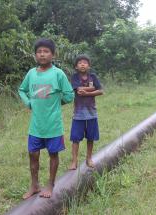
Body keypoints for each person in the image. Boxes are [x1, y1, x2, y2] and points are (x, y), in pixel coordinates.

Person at [18, 38, 74, 199]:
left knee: (53, 154)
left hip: (53, 126)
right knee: (33, 154)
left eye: (46, 51)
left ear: (53, 55)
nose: (42, 54)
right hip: (36, 126)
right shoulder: (31, 73)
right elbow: (22, 90)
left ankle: (50, 183)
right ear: (35, 55)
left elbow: (70, 95)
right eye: (39, 52)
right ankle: (35, 185)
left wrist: (57, 103)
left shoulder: (58, 74)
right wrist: (28, 102)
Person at [68, 54, 103, 170]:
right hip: (78, 114)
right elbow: (78, 89)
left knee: (91, 137)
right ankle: (74, 161)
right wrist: (93, 88)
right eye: (80, 63)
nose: (82, 64)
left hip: (92, 113)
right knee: (75, 138)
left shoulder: (93, 76)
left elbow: (101, 91)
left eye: (85, 62)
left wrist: (88, 92)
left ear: (89, 66)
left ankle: (89, 158)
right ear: (76, 66)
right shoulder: (74, 77)